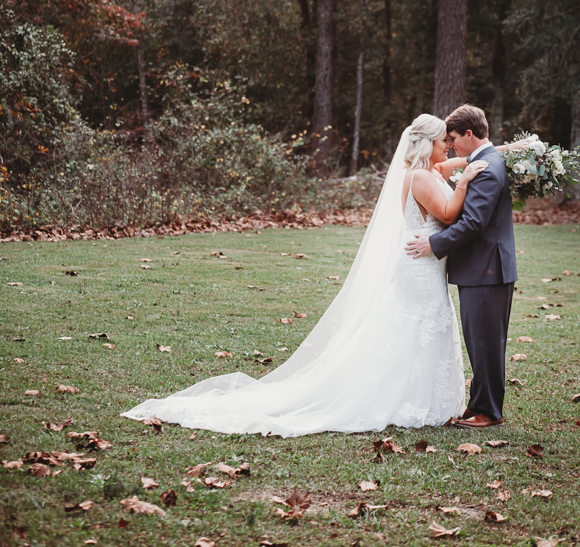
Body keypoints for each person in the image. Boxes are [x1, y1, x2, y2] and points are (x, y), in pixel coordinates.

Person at [121, 114, 488, 437]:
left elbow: (459, 162)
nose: (448, 146)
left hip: (424, 264)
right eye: (443, 141)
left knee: (416, 328)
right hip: (419, 266)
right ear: (428, 143)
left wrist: (497, 151)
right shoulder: (421, 177)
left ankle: (418, 397)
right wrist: (465, 181)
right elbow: (448, 214)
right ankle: (409, 400)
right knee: (418, 326)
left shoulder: (426, 171)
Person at [406, 104, 518, 429]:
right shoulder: (485, 160)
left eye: (453, 138)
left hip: (485, 269)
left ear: (469, 134)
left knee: (485, 343)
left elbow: (472, 224)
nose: (450, 144)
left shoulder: (486, 168)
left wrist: (434, 243)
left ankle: (488, 412)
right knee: (482, 341)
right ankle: (480, 403)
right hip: (484, 268)